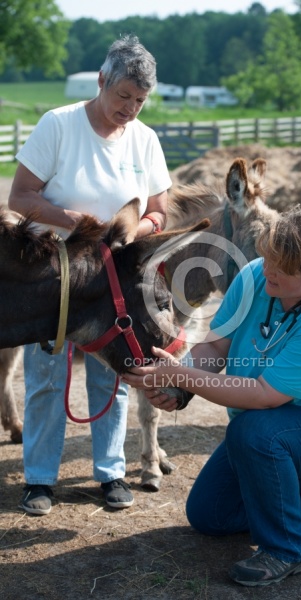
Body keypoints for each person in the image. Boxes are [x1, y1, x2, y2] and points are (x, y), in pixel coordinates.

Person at [122, 207, 301, 587]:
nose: (268, 270)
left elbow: (263, 396)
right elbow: (216, 347)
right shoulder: (256, 275)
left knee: (254, 432)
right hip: (271, 424)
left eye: (281, 266)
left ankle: (290, 549)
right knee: (209, 515)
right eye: (268, 257)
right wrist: (179, 387)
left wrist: (179, 374)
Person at [8, 34, 172, 515]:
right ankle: (38, 479)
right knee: (46, 376)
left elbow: (160, 211)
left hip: (113, 278)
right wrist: (82, 226)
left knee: (115, 374)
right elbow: (21, 198)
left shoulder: (145, 138)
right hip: (53, 274)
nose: (131, 109)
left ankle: (111, 471)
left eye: (140, 101)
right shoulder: (58, 125)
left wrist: (129, 232)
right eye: (123, 96)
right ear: (101, 81)